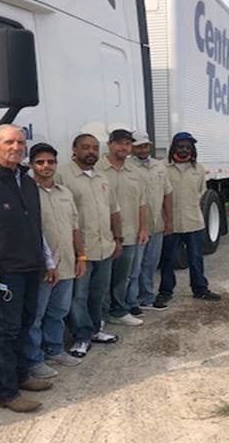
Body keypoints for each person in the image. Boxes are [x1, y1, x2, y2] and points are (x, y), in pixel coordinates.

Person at [0, 124, 57, 413]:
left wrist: (48, 260)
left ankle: (21, 375)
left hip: (30, 266)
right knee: (7, 331)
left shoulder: (26, 182)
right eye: (9, 142)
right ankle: (6, 392)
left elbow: (35, 228)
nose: (16, 147)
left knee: (26, 324)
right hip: (5, 272)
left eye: (20, 142)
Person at [57, 134, 121, 358]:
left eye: (95, 148)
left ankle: (95, 330)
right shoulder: (62, 175)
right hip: (80, 251)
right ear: (74, 149)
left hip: (104, 247)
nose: (91, 152)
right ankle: (81, 337)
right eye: (85, 147)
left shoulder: (102, 176)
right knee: (78, 297)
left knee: (98, 293)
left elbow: (114, 210)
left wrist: (118, 240)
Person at [25, 142, 86, 379]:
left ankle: (55, 349)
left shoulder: (65, 192)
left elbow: (74, 228)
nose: (46, 166)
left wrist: (81, 256)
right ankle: (34, 360)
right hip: (42, 267)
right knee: (35, 316)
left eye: (50, 161)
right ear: (31, 166)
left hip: (68, 263)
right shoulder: (27, 193)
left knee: (59, 311)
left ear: (56, 164)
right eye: (40, 162)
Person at [158, 132, 221, 302]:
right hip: (171, 224)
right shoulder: (162, 168)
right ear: (174, 147)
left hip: (194, 222)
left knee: (196, 259)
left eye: (188, 146)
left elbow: (201, 191)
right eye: (180, 146)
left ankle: (200, 289)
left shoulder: (198, 169)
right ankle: (165, 292)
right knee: (168, 260)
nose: (184, 150)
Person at [97, 129, 148, 325]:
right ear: (109, 144)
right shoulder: (98, 169)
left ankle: (118, 312)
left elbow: (142, 203)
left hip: (129, 233)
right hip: (103, 236)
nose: (123, 147)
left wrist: (143, 228)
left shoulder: (135, 172)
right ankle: (100, 317)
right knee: (101, 280)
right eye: (119, 143)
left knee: (121, 277)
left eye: (127, 144)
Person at [127, 130, 173, 311]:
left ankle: (147, 297)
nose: (143, 149)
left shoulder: (159, 166)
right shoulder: (127, 167)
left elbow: (168, 194)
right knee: (134, 267)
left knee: (151, 264)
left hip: (157, 225)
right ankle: (132, 301)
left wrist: (169, 221)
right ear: (132, 147)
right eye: (138, 146)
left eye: (145, 146)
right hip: (137, 227)